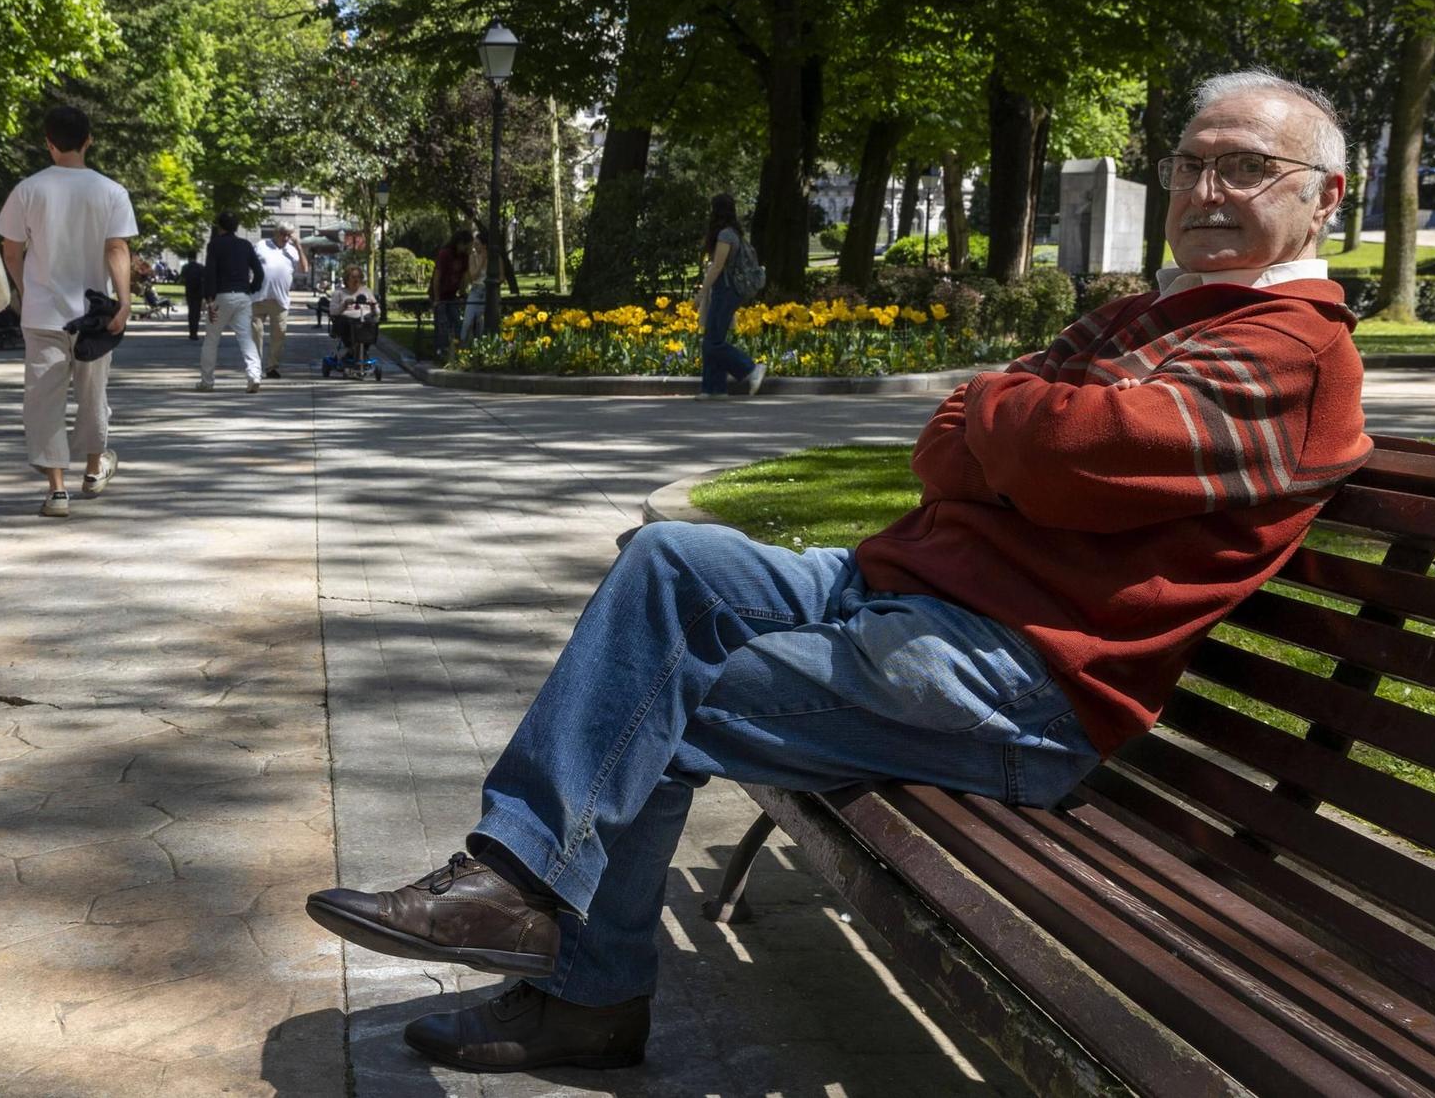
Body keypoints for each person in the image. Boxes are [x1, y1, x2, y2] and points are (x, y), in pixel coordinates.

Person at [302, 70, 1374, 1073]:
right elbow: (950, 438)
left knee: (650, 705)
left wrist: (1002, 421)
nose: (1204, 188)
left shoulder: (1291, 345)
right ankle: (516, 882)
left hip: (1014, 686)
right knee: (671, 560)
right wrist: (1008, 429)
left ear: (1323, 198)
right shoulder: (1152, 315)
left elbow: (1062, 453)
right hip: (911, 603)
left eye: (1243, 168)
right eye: (1191, 162)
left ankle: (580, 986)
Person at [0, 104, 136, 519]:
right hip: (95, 314)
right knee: (94, 395)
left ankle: (57, 490)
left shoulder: (28, 189)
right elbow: (117, 248)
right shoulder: (111, 192)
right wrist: (124, 301)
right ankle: (93, 470)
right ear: (89, 140)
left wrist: (26, 288)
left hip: (43, 313)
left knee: (44, 400)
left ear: (49, 143)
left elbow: (11, 249)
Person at [695, 194, 766, 401]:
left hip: (726, 290)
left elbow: (717, 267)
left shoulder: (726, 235)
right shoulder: (733, 233)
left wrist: (700, 294)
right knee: (712, 338)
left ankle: (751, 369)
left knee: (713, 342)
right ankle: (714, 388)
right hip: (726, 290)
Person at [197, 209, 264, 392]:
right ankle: (254, 375)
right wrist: (251, 288)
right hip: (243, 297)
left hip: (221, 296)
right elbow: (259, 272)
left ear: (219, 226)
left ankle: (207, 381)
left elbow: (210, 272)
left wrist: (209, 298)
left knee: (211, 340)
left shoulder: (215, 245)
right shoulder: (245, 245)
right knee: (246, 338)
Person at [250, 224, 298, 378]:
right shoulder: (261, 245)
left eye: (289, 235)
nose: (285, 238)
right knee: (256, 333)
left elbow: (304, 268)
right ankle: (255, 367)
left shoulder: (292, 250)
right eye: (283, 234)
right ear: (276, 232)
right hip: (258, 297)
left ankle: (271, 367)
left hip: (280, 300)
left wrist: (299, 245)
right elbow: (248, 265)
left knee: (279, 335)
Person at [429, 228, 471, 361]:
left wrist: (462, 293)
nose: (468, 248)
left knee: (456, 322)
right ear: (459, 243)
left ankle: (457, 350)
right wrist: (436, 299)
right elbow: (437, 276)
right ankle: (440, 351)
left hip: (452, 294)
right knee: (442, 324)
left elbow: (464, 276)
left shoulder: (464, 257)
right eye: (466, 244)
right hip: (440, 294)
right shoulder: (445, 254)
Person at [458, 227, 492, 342]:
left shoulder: (493, 259)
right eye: (474, 244)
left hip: (488, 291)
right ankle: (462, 345)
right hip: (476, 290)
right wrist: (481, 262)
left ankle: (481, 347)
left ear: (484, 245)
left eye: (477, 244)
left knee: (482, 322)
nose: (474, 247)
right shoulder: (472, 258)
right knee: (468, 320)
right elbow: (473, 277)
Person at [180, 255, 206, 341]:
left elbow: (182, 279)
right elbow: (205, 278)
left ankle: (192, 332)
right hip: (199, 292)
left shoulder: (185, 267)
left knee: (191, 312)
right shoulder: (201, 267)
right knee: (197, 312)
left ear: (188, 258)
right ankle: (196, 331)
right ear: (196, 257)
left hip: (189, 292)